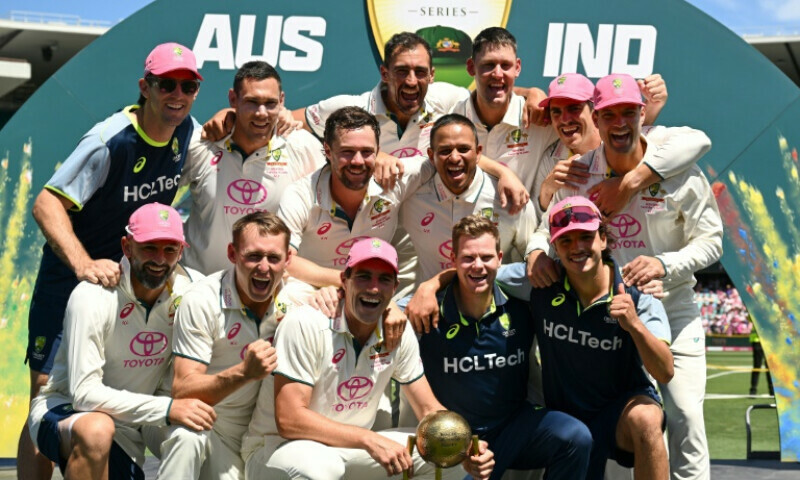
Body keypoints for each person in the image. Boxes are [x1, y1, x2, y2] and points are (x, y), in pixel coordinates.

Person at [21, 42, 202, 479]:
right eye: (166, 84)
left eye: (189, 85)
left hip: (132, 278)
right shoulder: (109, 141)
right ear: (146, 87)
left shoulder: (188, 129)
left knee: (106, 402)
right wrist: (83, 264)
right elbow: (46, 204)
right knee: (48, 394)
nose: (178, 94)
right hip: (74, 279)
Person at [527, 75, 723, 480]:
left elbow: (711, 243)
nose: (620, 123)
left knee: (685, 416)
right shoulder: (580, 172)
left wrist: (664, 265)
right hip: (610, 319)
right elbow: (547, 230)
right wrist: (534, 253)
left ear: (641, 116)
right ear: (595, 121)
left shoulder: (680, 169)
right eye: (609, 114)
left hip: (672, 306)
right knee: (628, 426)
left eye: (628, 112)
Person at [243, 237, 495, 479]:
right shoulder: (305, 322)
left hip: (348, 450)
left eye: (384, 279)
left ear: (395, 288)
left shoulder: (398, 329)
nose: (374, 288)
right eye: (364, 276)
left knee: (448, 458)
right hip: (276, 452)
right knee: (321, 467)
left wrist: (465, 447)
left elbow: (428, 408)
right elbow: (290, 420)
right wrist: (369, 439)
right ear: (345, 280)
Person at [26, 203, 213, 480]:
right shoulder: (92, 295)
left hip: (141, 420)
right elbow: (85, 396)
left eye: (170, 249)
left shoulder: (195, 290)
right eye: (149, 247)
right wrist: (168, 408)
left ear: (181, 252)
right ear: (127, 247)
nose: (160, 259)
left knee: (196, 435)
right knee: (97, 430)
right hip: (68, 409)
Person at [498, 196, 674, 480]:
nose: (577, 247)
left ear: (603, 239)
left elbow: (665, 371)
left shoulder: (635, 293)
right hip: (566, 418)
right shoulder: (541, 281)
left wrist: (635, 326)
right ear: (554, 246)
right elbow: (476, 273)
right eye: (566, 241)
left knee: (648, 418)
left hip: (620, 414)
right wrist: (430, 287)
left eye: (586, 237)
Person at [419, 215, 592, 479]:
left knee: (575, 436)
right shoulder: (426, 309)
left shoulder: (521, 301)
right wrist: (425, 288)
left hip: (514, 426)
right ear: (453, 260)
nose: (478, 266)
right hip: (457, 439)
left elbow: (579, 266)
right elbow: (380, 306)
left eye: (486, 257)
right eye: (468, 258)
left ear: (500, 258)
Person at [159, 211, 291, 480]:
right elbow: (183, 389)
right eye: (253, 255)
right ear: (232, 253)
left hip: (254, 436)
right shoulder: (201, 300)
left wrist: (390, 310)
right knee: (187, 438)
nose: (264, 267)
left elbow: (358, 293)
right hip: (201, 420)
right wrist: (244, 372)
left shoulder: (300, 298)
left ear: (288, 260)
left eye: (274, 258)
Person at [181, 61, 325, 274]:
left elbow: (340, 183)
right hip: (199, 283)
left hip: (267, 288)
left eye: (270, 103)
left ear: (282, 101)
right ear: (233, 99)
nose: (261, 113)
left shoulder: (301, 146)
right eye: (252, 102)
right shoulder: (202, 143)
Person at [400, 114, 540, 285]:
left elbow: (533, 260)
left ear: (478, 152)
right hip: (433, 305)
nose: (455, 158)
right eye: (445, 151)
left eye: (463, 149)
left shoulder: (511, 199)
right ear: (431, 155)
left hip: (497, 307)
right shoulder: (411, 197)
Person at [749, 321, 774, 396]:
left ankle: (771, 390)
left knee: (768, 367)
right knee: (757, 366)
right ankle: (753, 389)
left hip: (767, 342)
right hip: (758, 341)